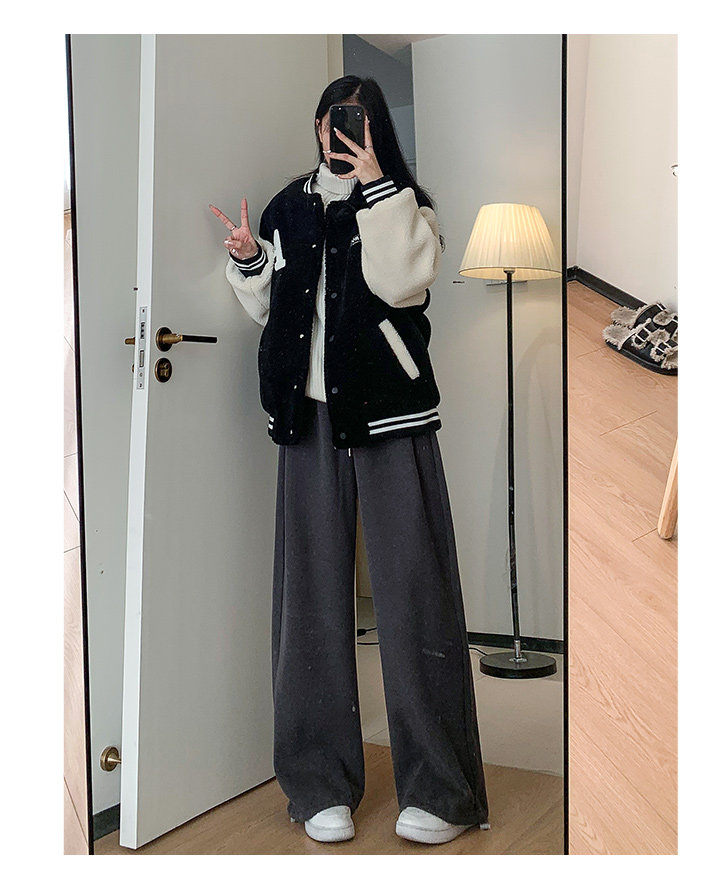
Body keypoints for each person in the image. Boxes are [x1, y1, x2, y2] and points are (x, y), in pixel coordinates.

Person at [209, 76, 489, 846]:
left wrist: (377, 188)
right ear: (316, 126)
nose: (341, 133)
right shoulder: (286, 208)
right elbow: (273, 310)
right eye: (332, 120)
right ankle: (317, 783)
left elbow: (402, 284)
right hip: (307, 418)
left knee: (414, 594)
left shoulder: (408, 204)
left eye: (356, 121)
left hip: (392, 414)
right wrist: (249, 261)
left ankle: (442, 789)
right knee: (310, 601)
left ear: (375, 128)